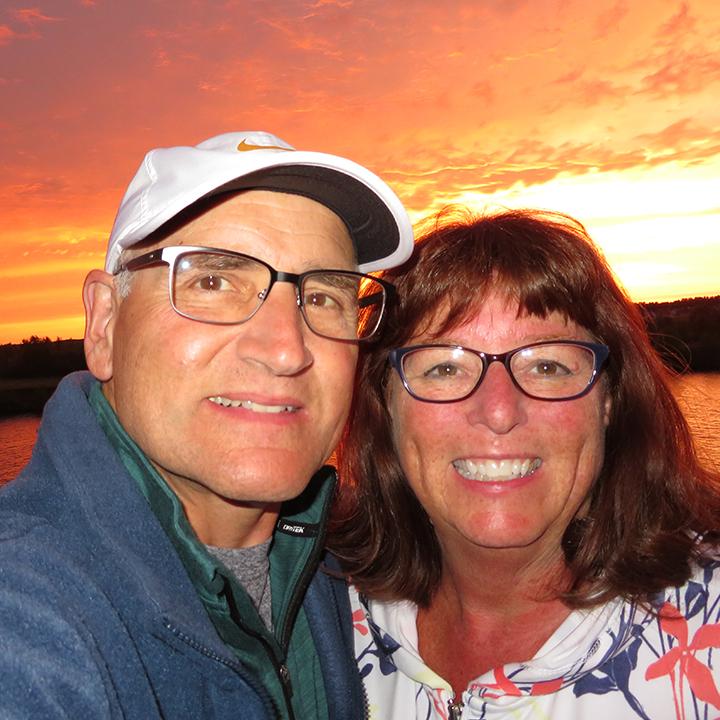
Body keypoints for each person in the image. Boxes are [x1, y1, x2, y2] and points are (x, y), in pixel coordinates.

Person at [0, 131, 413, 719]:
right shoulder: (27, 617)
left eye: (323, 297)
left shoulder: (339, 565)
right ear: (105, 325)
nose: (285, 350)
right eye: (213, 281)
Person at [330, 207, 720, 719]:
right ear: (385, 405)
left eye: (547, 365)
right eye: (446, 367)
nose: (498, 412)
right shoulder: (323, 614)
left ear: (608, 400)